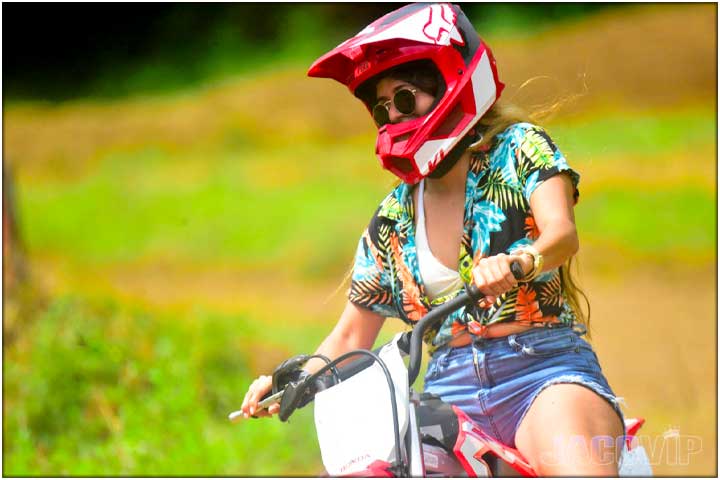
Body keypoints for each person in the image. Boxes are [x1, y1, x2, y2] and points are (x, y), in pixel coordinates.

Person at [240, 3, 625, 476]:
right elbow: (349, 335)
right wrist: (289, 382)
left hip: (539, 372)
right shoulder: (393, 216)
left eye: (404, 100)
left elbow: (562, 235)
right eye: (381, 108)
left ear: (449, 82)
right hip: (447, 395)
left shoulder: (521, 147)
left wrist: (519, 261)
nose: (392, 117)